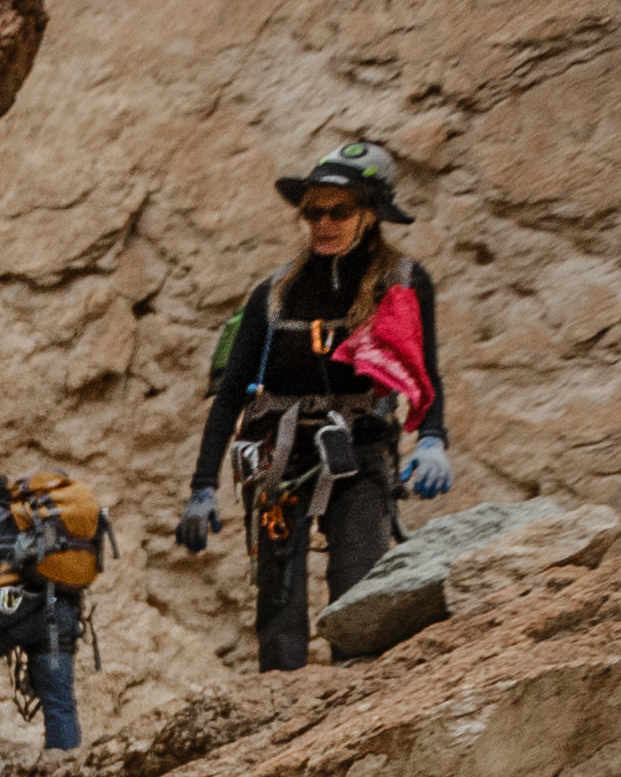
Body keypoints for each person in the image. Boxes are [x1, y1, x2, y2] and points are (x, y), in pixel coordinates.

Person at [175, 140, 455, 671]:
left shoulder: (403, 283)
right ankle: (278, 715)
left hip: (361, 451)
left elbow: (426, 372)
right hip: (277, 457)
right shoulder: (275, 292)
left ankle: (354, 711)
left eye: (339, 211)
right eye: (312, 211)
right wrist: (202, 489)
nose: (322, 223)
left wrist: (434, 439)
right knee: (278, 602)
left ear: (371, 214)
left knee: (360, 591)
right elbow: (231, 394)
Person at [0, 467, 90, 750]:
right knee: (59, 703)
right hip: (60, 609)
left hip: (9, 607)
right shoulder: (44, 516)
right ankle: (64, 774)